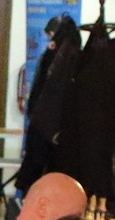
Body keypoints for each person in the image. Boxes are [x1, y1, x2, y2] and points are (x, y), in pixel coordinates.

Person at [8, 14, 80, 194]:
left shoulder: (58, 58)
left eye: (51, 35)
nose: (49, 41)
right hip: (50, 129)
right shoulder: (64, 57)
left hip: (45, 127)